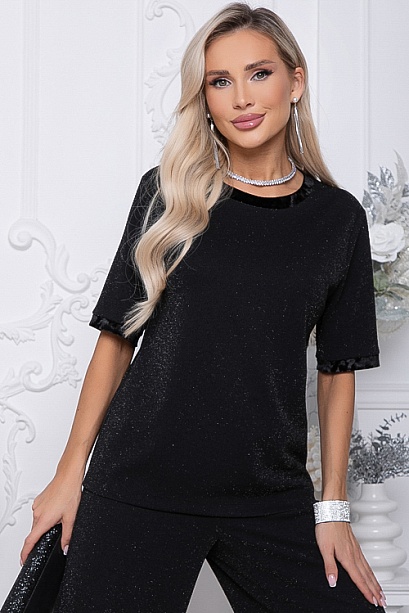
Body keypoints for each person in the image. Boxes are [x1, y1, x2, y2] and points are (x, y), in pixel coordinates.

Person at [20, 3, 386, 611]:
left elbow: (336, 371)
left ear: (295, 82)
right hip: (140, 483)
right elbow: (116, 340)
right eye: (220, 81)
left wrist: (332, 510)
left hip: (268, 491)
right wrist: (68, 474)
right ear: (205, 99)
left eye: (259, 74)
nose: (242, 98)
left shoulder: (338, 219)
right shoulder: (169, 195)